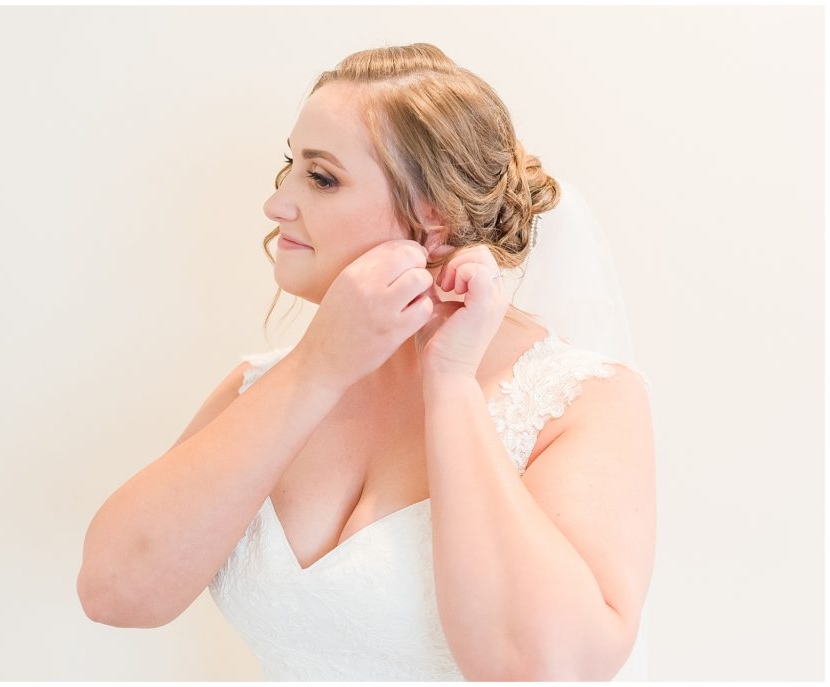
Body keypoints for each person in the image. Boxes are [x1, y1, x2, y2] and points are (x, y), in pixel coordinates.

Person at [77, 43, 656, 682]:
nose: (277, 204)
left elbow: (540, 666)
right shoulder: (264, 384)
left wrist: (452, 384)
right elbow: (114, 595)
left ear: (433, 221)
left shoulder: (581, 401)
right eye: (289, 167)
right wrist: (318, 368)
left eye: (321, 177)